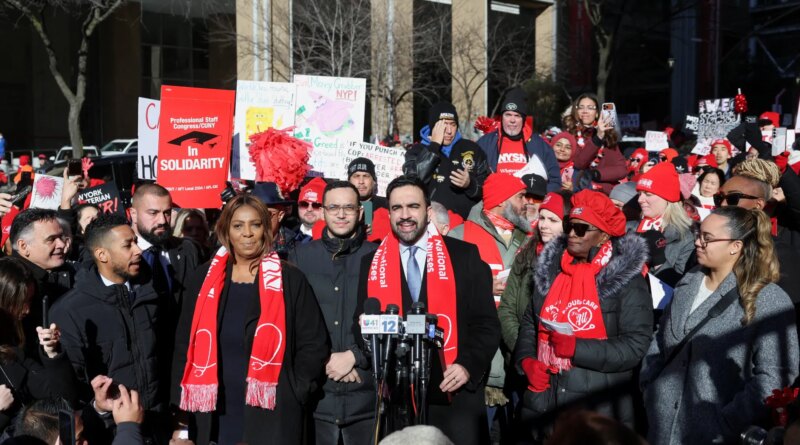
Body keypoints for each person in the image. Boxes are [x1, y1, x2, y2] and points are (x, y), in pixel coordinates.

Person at [171, 194, 329, 445]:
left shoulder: (290, 279)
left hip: (273, 410)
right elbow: (184, 343)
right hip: (214, 412)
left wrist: (294, 391)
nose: (247, 233)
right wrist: (181, 416)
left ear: (266, 229)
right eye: (238, 225)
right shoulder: (203, 278)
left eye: (255, 225)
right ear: (225, 231)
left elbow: (313, 344)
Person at [358, 175, 500, 445]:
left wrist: (467, 366)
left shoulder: (465, 256)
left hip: (453, 395)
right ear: (389, 213)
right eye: (397, 208)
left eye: (413, 206)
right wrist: (367, 334)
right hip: (397, 399)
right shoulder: (371, 262)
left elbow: (486, 324)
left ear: (428, 211)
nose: (405, 215)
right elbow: (361, 321)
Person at [640, 206, 799, 445]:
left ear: (736, 246)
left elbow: (775, 375)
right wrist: (649, 385)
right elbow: (661, 335)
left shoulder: (768, 299)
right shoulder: (689, 281)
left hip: (716, 435)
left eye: (708, 238)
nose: (698, 242)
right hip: (661, 426)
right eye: (698, 234)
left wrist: (728, 421)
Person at [514, 190, 652, 440]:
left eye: (581, 229)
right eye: (569, 226)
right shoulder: (551, 269)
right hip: (543, 403)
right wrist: (526, 361)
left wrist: (576, 348)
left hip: (595, 410)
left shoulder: (627, 281)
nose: (572, 234)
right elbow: (530, 322)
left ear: (604, 235)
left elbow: (635, 346)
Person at [50, 213, 167, 442]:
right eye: (127, 245)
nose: (138, 250)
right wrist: (101, 412)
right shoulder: (70, 311)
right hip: (107, 433)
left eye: (136, 241)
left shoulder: (151, 293)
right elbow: (70, 390)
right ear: (102, 254)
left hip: (157, 427)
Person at [289, 181, 378, 445]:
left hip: (365, 398)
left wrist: (354, 356)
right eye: (334, 207)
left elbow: (391, 320)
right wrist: (326, 360)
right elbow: (293, 322)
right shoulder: (300, 257)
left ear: (360, 212)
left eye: (348, 208)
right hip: (318, 395)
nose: (341, 214)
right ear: (323, 212)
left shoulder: (379, 257)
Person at [448, 173, 530, 438]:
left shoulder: (529, 238)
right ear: (501, 200)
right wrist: (483, 285)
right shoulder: (459, 235)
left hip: (519, 354)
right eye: (520, 197)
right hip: (480, 359)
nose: (527, 203)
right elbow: (443, 291)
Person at [0, 257, 76, 435]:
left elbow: (61, 401)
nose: (26, 310)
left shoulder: (14, 348)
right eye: (20, 302)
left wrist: (52, 354)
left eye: (29, 300)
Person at [498, 191, 570, 354]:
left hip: (557, 356)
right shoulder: (526, 254)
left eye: (553, 220)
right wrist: (523, 351)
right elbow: (507, 308)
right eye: (542, 218)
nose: (544, 225)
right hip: (521, 354)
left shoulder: (575, 262)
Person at [403, 102, 490, 219]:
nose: (449, 131)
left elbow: (488, 185)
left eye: (453, 124)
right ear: (433, 126)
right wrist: (434, 146)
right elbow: (412, 181)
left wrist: (470, 184)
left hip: (467, 223)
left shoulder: (471, 148)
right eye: (444, 124)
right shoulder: (417, 151)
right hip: (432, 222)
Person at [9, 209, 75, 358]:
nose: (61, 244)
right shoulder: (8, 282)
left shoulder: (72, 272)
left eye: (61, 237)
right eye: (51, 239)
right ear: (24, 246)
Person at [476, 88, 561, 191]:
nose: (512, 120)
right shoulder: (485, 143)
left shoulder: (540, 146)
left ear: (523, 119)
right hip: (495, 199)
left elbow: (555, 182)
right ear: (501, 117)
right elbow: (474, 179)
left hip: (529, 199)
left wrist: (537, 194)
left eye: (517, 116)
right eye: (508, 115)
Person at [635, 161, 696, 284]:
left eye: (648, 194)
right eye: (640, 194)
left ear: (667, 199)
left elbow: (680, 286)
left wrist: (659, 260)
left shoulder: (685, 238)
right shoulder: (629, 227)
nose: (640, 199)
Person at [563, 93, 625, 194]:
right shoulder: (569, 135)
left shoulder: (607, 136)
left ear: (596, 113)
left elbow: (621, 169)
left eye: (590, 108)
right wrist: (598, 138)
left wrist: (596, 174)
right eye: (581, 107)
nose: (585, 111)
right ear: (576, 111)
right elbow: (579, 164)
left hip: (600, 193)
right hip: (574, 192)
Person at [251, 181, 304, 259]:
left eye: (267, 214)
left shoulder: (296, 249)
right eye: (255, 213)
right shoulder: (240, 244)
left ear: (280, 215)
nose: (259, 219)